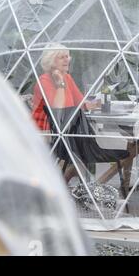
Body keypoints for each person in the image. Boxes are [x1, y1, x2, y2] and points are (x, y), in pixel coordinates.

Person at [32, 43, 100, 181]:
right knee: (83, 152)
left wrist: (98, 103)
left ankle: (64, 183)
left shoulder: (67, 77)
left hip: (65, 128)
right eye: (61, 57)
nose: (67, 59)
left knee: (85, 152)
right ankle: (60, 184)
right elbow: (57, 110)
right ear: (51, 61)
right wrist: (60, 84)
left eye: (67, 56)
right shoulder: (44, 81)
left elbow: (80, 104)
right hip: (48, 132)